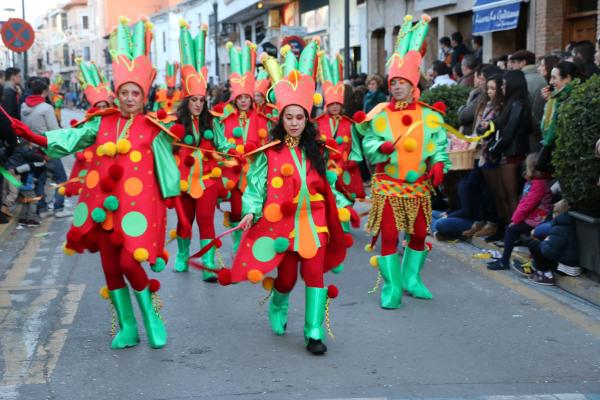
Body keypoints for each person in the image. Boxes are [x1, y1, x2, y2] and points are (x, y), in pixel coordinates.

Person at [10, 17, 186, 350]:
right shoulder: (101, 123)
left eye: (136, 93)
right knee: (109, 267)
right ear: (117, 94)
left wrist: (180, 214)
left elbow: (170, 173)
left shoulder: (153, 129)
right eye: (125, 92)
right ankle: (128, 327)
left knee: (127, 262)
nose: (130, 98)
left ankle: (152, 316)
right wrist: (33, 134)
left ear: (143, 96)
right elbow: (71, 138)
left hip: (139, 209)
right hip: (103, 207)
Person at [219, 45, 348, 355]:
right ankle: (278, 303)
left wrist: (342, 207)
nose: (293, 122)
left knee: (314, 275)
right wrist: (250, 210)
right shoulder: (270, 152)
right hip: (283, 226)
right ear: (281, 118)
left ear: (306, 120)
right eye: (288, 117)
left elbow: (331, 186)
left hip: (314, 225)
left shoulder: (318, 151)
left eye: (299, 117)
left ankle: (314, 331)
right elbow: (254, 186)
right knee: (288, 279)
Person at [355, 15, 450, 307]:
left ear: (413, 84)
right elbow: (368, 143)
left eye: (402, 82)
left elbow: (439, 146)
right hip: (388, 186)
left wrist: (437, 164)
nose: (396, 87)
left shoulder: (430, 115)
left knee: (420, 233)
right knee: (388, 237)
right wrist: (379, 146)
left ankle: (412, 278)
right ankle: (392, 288)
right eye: (393, 82)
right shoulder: (380, 114)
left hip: (418, 188)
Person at [172, 22, 235, 281]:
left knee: (206, 219)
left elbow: (223, 144)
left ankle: (208, 260)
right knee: (184, 221)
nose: (198, 105)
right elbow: (163, 147)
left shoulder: (213, 120)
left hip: (208, 177)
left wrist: (236, 151)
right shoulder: (173, 123)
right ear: (187, 101)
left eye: (201, 100)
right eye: (194, 100)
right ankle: (182, 255)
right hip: (183, 179)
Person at [213, 40, 281, 255]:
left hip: (255, 169)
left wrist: (256, 151)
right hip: (233, 169)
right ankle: (237, 242)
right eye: (240, 97)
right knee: (235, 208)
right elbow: (219, 139)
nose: (243, 101)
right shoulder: (225, 116)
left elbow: (269, 139)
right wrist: (231, 151)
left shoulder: (261, 117)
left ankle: (248, 241)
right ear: (235, 97)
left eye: (246, 97)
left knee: (253, 208)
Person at [488, 153, 552, 270]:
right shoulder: (535, 182)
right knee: (512, 229)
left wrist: (515, 219)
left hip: (538, 218)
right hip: (535, 217)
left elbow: (528, 204)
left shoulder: (538, 184)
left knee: (511, 229)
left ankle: (504, 261)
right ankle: (504, 259)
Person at [62, 61, 116, 199]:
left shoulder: (116, 119)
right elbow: (81, 140)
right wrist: (80, 153)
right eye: (99, 106)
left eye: (105, 106)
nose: (102, 109)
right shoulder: (89, 122)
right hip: (96, 162)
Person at [20, 78, 73, 218]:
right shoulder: (46, 108)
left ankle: (42, 209)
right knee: (61, 177)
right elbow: (54, 130)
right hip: (46, 148)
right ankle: (59, 208)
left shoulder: (24, 107)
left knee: (41, 178)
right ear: (44, 92)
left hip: (31, 148)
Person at [487, 70, 531, 222]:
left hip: (512, 152)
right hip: (507, 151)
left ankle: (514, 229)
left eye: (505, 85)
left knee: (511, 194)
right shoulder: (511, 102)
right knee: (503, 194)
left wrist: (494, 149)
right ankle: (508, 226)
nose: (502, 88)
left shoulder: (518, 103)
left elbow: (510, 132)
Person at [466, 73, 504, 240]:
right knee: (474, 186)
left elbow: (489, 128)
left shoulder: (501, 106)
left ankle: (492, 223)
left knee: (490, 191)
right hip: (482, 152)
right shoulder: (487, 104)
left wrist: (484, 128)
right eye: (488, 88)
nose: (489, 91)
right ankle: (481, 220)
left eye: (493, 88)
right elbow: (481, 128)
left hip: (492, 154)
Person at [536, 61, 581, 174]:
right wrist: (549, 100)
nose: (550, 82)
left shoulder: (574, 98)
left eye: (554, 78)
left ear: (567, 78)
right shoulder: (556, 96)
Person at [526, 200, 580, 285]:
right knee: (542, 244)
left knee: (534, 245)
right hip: (572, 265)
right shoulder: (569, 223)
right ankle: (535, 265)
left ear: (556, 213)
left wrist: (544, 242)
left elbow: (548, 252)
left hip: (565, 268)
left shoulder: (559, 228)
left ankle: (546, 275)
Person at [507, 50, 546, 151]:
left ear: (523, 63)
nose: (511, 66)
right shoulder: (541, 79)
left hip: (528, 133)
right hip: (536, 131)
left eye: (514, 62)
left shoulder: (523, 80)